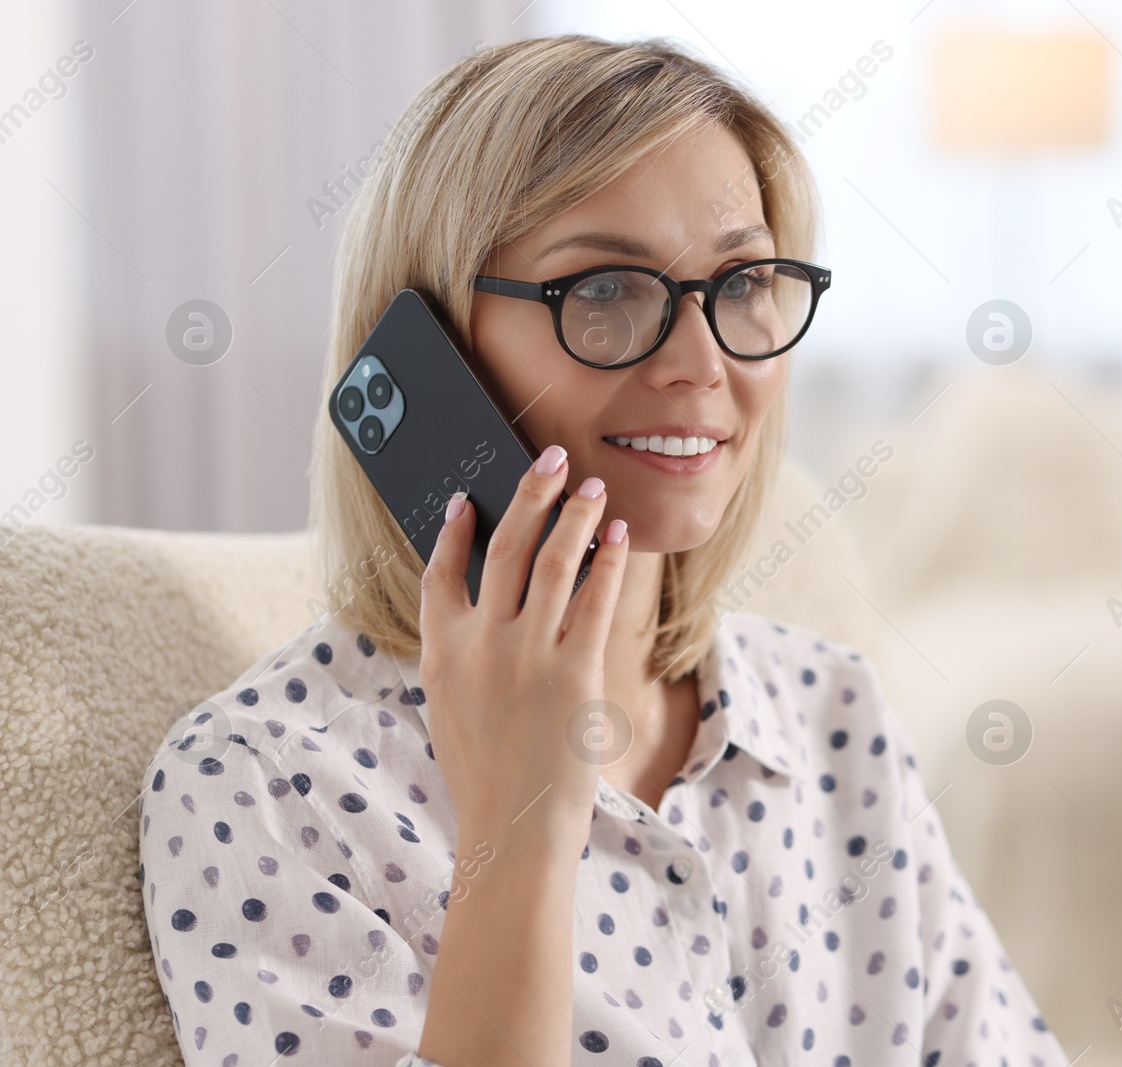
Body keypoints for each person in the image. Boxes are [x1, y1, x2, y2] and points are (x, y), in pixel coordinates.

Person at [137, 33, 1069, 1067]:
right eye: (605, 291)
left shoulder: (827, 710)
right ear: (431, 348)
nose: (701, 361)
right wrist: (521, 820)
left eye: (745, 280)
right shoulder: (263, 786)